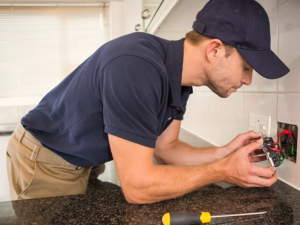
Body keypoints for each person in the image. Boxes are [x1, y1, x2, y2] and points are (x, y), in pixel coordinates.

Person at [6, 0, 289, 203]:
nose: (248, 80)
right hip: (45, 157)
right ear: (215, 50)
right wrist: (222, 170)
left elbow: (167, 148)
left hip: (85, 158)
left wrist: (224, 153)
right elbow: (137, 186)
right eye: (246, 67)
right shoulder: (136, 66)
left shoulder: (180, 80)